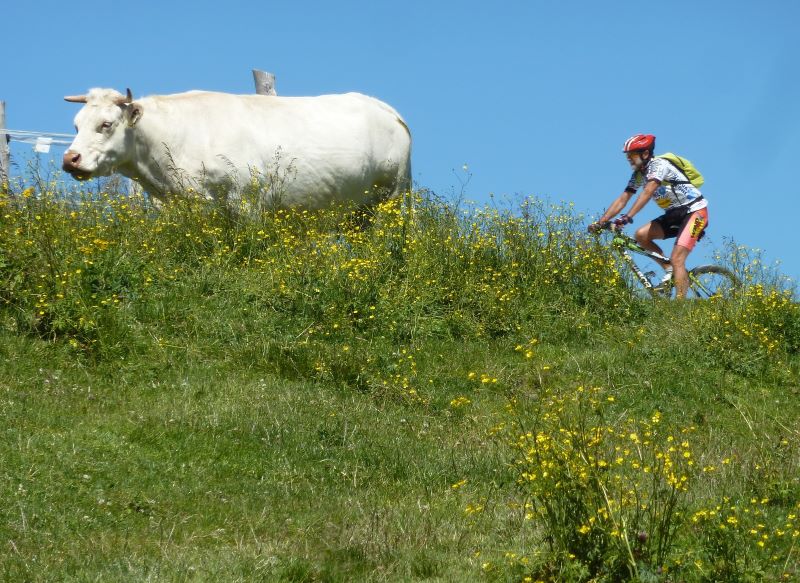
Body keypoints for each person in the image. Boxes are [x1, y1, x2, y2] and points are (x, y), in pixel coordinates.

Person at [588, 134, 709, 298]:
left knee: (678, 259)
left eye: (632, 155)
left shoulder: (659, 165)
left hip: (696, 213)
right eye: (627, 156)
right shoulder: (639, 174)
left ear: (645, 154)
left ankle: (681, 308)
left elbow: (648, 191)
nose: (629, 159)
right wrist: (601, 222)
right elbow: (623, 198)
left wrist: (628, 216)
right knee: (641, 235)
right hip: (675, 215)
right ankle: (670, 271)